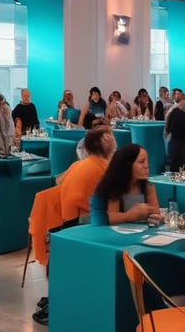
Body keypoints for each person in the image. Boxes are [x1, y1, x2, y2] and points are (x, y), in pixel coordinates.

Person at [31, 125, 117, 325]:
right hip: (78, 222)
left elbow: (60, 184)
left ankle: (57, 297)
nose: (113, 138)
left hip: (62, 220)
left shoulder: (82, 164)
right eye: (109, 135)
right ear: (103, 141)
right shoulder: (101, 167)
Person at [92, 144, 160, 225]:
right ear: (127, 165)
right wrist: (131, 215)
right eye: (141, 162)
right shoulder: (114, 186)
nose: (146, 166)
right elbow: (112, 218)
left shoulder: (148, 187)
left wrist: (159, 218)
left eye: (147, 161)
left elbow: (156, 213)